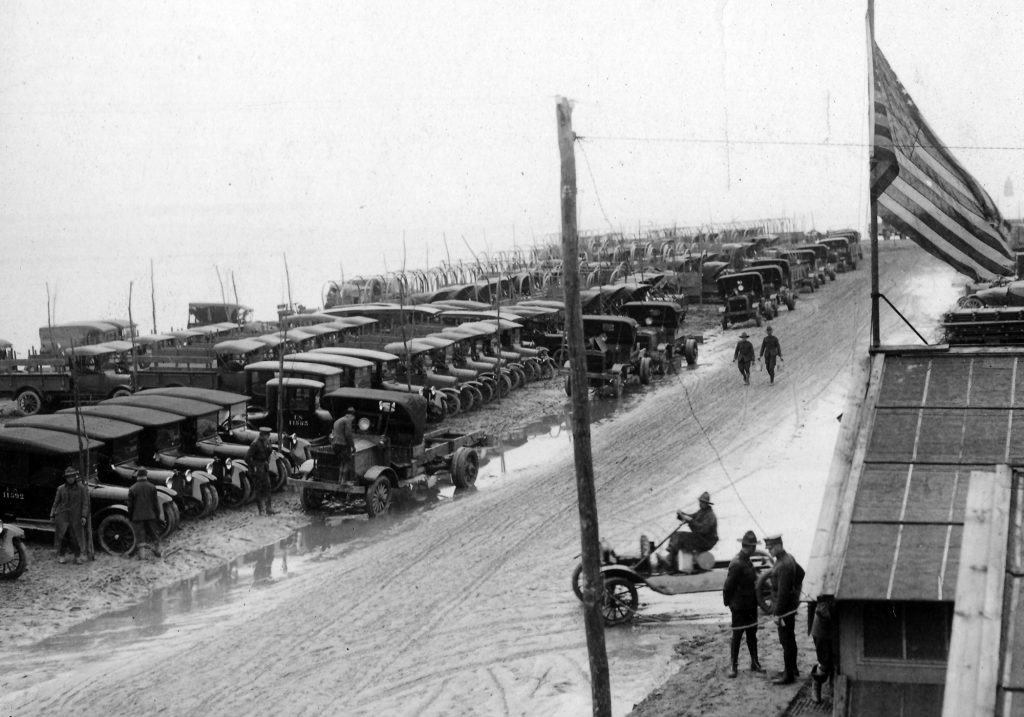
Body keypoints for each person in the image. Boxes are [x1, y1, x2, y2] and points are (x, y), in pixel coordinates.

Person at [722, 530, 764, 677]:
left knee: (752, 634)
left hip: (751, 605)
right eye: (754, 547)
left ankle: (755, 662)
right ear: (750, 547)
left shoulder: (747, 561)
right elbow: (728, 586)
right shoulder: (737, 563)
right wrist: (728, 603)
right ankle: (733, 666)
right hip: (739, 607)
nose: (754, 550)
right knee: (737, 635)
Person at [765, 534, 805, 685]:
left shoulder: (783, 565)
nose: (769, 551)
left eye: (771, 548)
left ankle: (788, 675)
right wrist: (795, 591)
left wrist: (777, 614)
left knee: (786, 641)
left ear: (779, 546)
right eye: (768, 548)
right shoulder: (789, 558)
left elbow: (782, 593)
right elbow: (801, 574)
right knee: (790, 639)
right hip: (790, 606)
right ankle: (792, 669)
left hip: (784, 609)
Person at [665, 491, 718, 573]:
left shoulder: (710, 516)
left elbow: (703, 530)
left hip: (706, 541)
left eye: (703, 502)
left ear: (707, 504)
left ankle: (671, 563)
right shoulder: (701, 512)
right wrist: (681, 514)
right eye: (700, 502)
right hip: (699, 538)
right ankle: (672, 558)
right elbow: (691, 517)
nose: (701, 504)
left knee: (680, 537)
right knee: (677, 535)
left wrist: (690, 521)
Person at [50, 466, 90, 565]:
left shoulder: (82, 489)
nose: (70, 479)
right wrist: (52, 514)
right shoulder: (61, 489)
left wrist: (84, 516)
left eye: (72, 477)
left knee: (75, 537)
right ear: (66, 478)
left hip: (76, 517)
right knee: (63, 537)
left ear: (75, 477)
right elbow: (56, 503)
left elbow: (85, 503)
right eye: (68, 477)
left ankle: (77, 556)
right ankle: (62, 555)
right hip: (62, 517)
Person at [127, 468, 162, 559]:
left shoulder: (132, 489)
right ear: (146, 476)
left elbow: (130, 506)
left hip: (137, 516)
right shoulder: (152, 487)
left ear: (138, 476)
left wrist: (130, 516)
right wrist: (157, 515)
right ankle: (158, 552)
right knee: (154, 534)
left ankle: (142, 557)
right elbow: (156, 504)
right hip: (151, 515)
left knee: (140, 537)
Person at [810, 595, 835, 703]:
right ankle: (816, 686)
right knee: (824, 662)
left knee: (838, 662)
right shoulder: (824, 583)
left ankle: (834, 689)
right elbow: (821, 609)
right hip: (823, 628)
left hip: (837, 628)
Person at [246, 426, 275, 515]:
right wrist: (253, 467)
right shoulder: (255, 444)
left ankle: (269, 509)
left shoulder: (266, 442)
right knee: (258, 489)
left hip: (264, 467)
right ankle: (261, 510)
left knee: (268, 487)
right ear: (262, 435)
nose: (268, 436)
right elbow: (247, 458)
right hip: (257, 468)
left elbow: (269, 452)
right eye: (267, 435)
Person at [331, 406, 357, 482]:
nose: (352, 421)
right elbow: (348, 435)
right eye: (353, 419)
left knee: (342, 462)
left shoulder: (337, 421)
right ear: (351, 416)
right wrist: (353, 446)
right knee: (348, 462)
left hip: (335, 445)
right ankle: (344, 481)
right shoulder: (347, 421)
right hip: (343, 445)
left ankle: (340, 480)